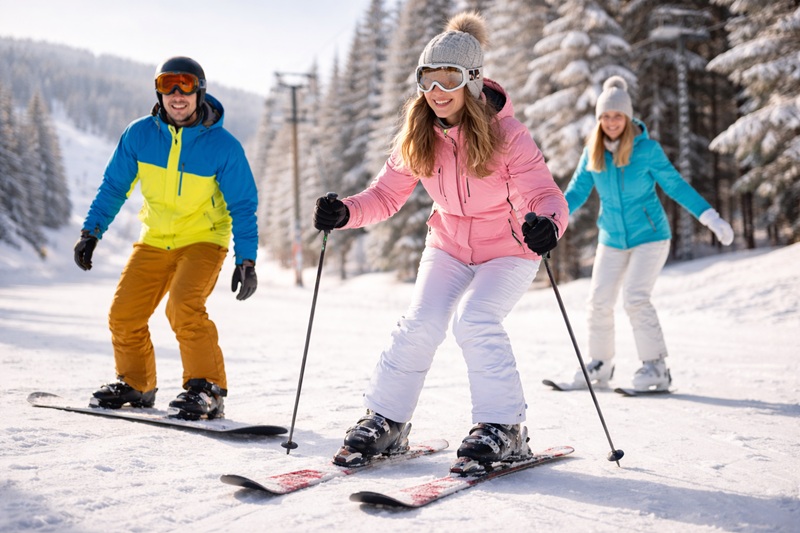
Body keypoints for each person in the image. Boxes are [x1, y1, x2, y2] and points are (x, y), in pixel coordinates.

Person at [313, 12, 568, 471]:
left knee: (475, 319)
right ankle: (386, 420)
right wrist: (346, 211)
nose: (436, 91)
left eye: (448, 79)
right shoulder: (419, 133)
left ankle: (503, 427)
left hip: (508, 249)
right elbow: (386, 195)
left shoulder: (507, 135)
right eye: (427, 79)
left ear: (471, 81)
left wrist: (548, 223)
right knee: (421, 322)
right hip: (448, 243)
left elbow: (543, 194)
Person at [73, 56, 259, 420]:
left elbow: (243, 205)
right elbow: (114, 187)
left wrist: (246, 259)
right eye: (166, 85)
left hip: (204, 239)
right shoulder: (140, 134)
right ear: (158, 92)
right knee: (124, 313)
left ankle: (207, 388)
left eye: (185, 85)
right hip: (155, 239)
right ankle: (136, 384)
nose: (176, 94)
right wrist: (90, 232)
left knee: (183, 305)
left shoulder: (223, 146)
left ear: (199, 92)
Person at [563, 75, 734, 392]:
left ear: (627, 117)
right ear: (599, 119)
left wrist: (710, 217)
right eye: (606, 116)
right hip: (611, 238)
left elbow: (676, 186)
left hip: (651, 237)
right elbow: (575, 193)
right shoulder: (593, 152)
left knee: (635, 298)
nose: (612, 122)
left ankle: (655, 367)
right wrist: (550, 218)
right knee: (599, 300)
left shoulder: (647, 150)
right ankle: (600, 363)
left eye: (617, 116)